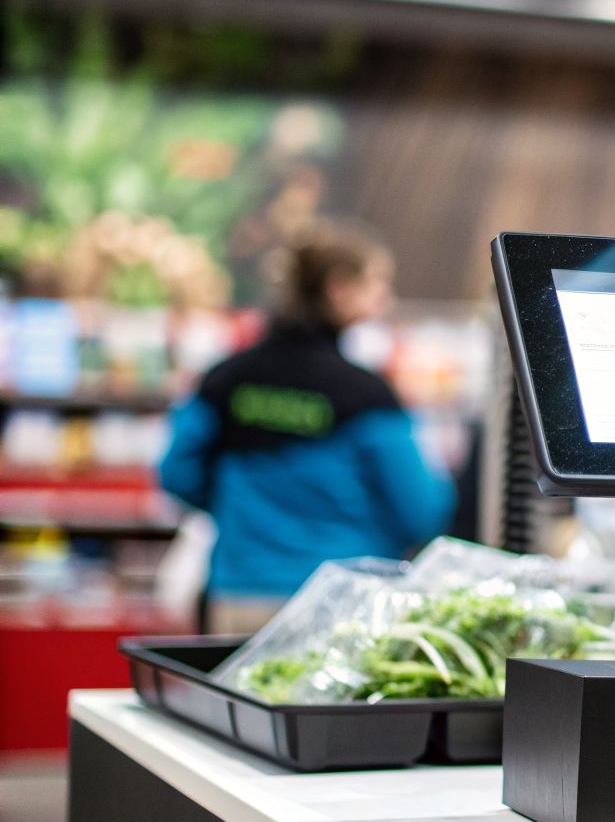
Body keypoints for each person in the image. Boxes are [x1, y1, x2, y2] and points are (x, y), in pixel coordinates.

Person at [159, 220, 454, 634]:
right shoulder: (366, 395)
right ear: (339, 287)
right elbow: (421, 509)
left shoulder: (225, 379)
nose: (386, 299)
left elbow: (177, 474)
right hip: (344, 604)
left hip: (240, 594)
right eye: (376, 284)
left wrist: (243, 513)